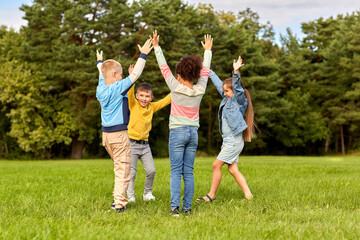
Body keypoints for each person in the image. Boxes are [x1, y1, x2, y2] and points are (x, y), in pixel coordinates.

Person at [150, 30, 213, 216]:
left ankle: (174, 209)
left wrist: (156, 47)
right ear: (194, 74)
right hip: (193, 134)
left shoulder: (175, 87)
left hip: (177, 133)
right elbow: (206, 72)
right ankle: (187, 209)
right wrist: (207, 51)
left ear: (179, 74)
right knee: (189, 172)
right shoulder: (200, 89)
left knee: (176, 171)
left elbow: (163, 67)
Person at [96, 39, 153, 213]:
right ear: (114, 75)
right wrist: (143, 54)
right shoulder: (117, 87)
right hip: (119, 135)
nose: (122, 78)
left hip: (106, 137)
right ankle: (119, 204)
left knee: (119, 168)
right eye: (120, 75)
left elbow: (101, 73)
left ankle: (118, 198)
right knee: (124, 171)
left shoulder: (101, 88)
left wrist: (100, 61)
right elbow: (135, 75)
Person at [196, 56, 254, 203]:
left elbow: (238, 89)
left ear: (235, 91)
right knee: (233, 169)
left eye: (228, 91)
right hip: (229, 140)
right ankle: (248, 195)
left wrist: (235, 72)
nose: (225, 93)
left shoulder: (239, 101)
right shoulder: (226, 99)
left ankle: (211, 195)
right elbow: (217, 82)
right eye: (224, 91)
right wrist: (207, 69)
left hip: (233, 141)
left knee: (216, 165)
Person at [126, 73, 171, 203]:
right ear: (137, 96)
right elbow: (129, 92)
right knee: (132, 173)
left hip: (145, 146)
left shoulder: (152, 107)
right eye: (141, 95)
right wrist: (132, 77)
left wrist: (178, 89)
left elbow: (165, 101)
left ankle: (147, 193)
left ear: (151, 98)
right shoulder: (133, 104)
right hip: (132, 144)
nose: (144, 98)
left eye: (147, 96)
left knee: (151, 170)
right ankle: (130, 196)